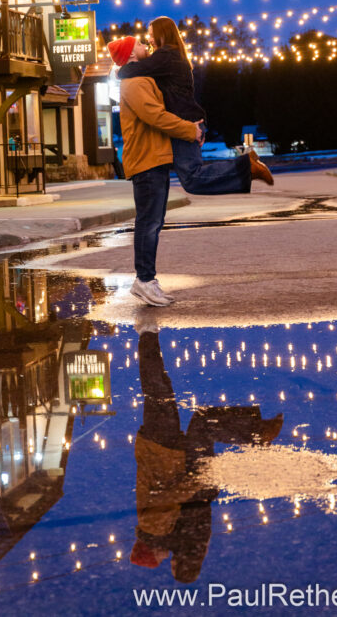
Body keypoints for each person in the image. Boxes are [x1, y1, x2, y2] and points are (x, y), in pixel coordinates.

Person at [130, 329, 284, 583]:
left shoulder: (153, 528)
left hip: (163, 452)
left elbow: (168, 498)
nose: (165, 557)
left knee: (162, 393)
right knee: (164, 395)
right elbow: (175, 502)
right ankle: (148, 335)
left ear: (151, 551)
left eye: (160, 559)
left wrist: (197, 483)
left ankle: (148, 335)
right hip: (166, 453)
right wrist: (198, 482)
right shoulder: (159, 532)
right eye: (168, 561)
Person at [117, 16, 273, 191]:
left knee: (192, 177)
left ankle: (246, 167)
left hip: (184, 122)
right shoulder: (174, 55)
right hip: (188, 120)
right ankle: (246, 165)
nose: (149, 39)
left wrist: (119, 70)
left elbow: (135, 69)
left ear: (163, 34)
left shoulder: (166, 55)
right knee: (192, 176)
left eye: (152, 35)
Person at [108, 35, 202, 307]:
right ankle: (144, 281)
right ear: (131, 55)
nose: (145, 46)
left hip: (154, 159)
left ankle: (147, 279)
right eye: (139, 45)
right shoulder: (134, 82)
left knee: (153, 222)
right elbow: (155, 116)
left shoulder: (142, 78)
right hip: (146, 160)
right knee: (148, 223)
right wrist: (190, 130)